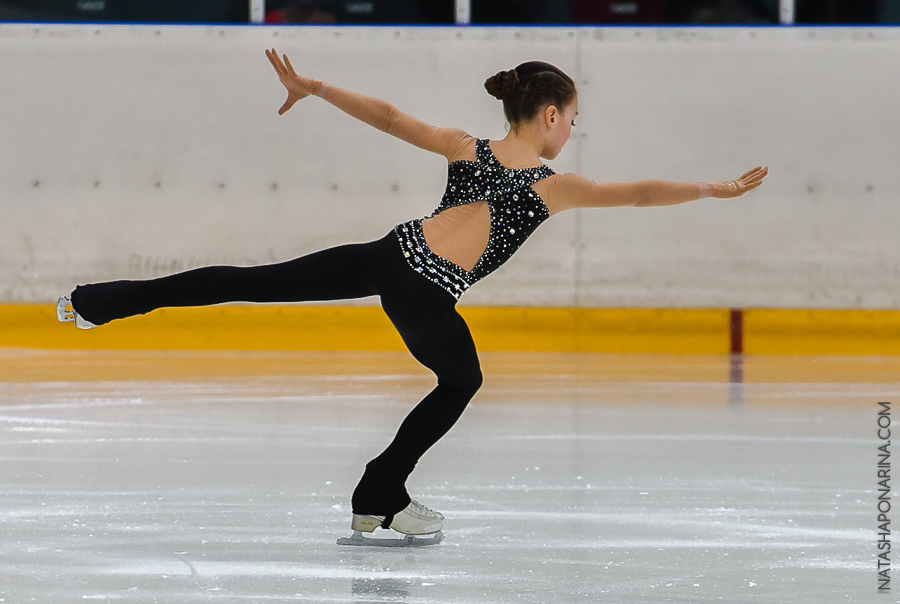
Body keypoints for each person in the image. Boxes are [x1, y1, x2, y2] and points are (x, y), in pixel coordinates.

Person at [58, 49, 767, 542]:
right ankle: (379, 493)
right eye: (574, 117)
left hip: (390, 255)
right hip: (426, 291)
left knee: (248, 282)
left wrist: (318, 88)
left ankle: (96, 301)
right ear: (551, 115)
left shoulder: (468, 146)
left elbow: (392, 118)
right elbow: (639, 193)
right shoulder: (555, 186)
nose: (573, 130)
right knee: (462, 379)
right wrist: (716, 188)